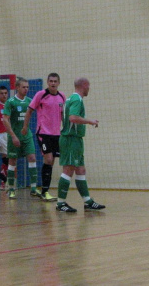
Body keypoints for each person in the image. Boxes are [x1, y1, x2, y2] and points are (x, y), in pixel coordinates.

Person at [56, 77, 105, 212]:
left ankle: (87, 201)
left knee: (81, 170)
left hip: (75, 139)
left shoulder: (70, 99)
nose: (89, 88)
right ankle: (60, 203)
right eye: (88, 86)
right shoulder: (77, 99)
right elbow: (72, 117)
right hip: (71, 139)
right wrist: (90, 121)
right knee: (68, 170)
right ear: (84, 86)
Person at [21, 73, 65, 202]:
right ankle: (45, 191)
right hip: (43, 133)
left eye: (55, 81)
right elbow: (29, 110)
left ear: (58, 82)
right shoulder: (41, 95)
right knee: (48, 158)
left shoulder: (62, 96)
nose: (53, 83)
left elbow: (63, 115)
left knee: (52, 161)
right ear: (47, 82)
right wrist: (25, 126)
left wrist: (65, 129)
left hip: (56, 134)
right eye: (50, 81)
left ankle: (45, 190)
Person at [2, 78, 39, 199]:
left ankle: (33, 188)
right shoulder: (10, 102)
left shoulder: (30, 101)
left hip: (27, 136)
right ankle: (11, 188)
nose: (26, 89)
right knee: (12, 161)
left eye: (27, 87)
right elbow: (5, 120)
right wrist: (13, 136)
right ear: (17, 87)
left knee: (32, 157)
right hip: (14, 136)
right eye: (24, 87)